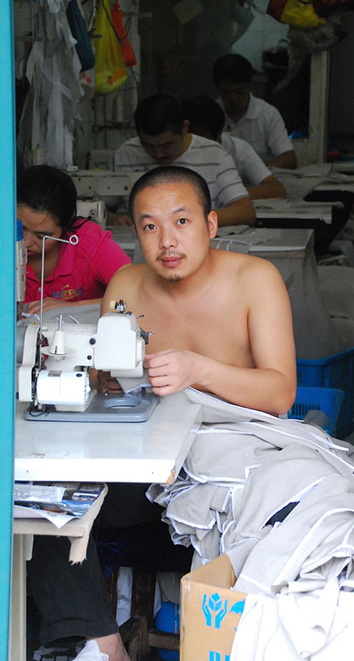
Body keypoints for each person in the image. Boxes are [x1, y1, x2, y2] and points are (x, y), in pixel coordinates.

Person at [28, 165, 297, 661]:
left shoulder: (255, 280)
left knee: (285, 526)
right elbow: (109, 378)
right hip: (149, 470)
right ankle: (98, 643)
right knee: (47, 504)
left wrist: (197, 370)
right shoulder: (128, 284)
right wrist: (104, 380)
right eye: (150, 226)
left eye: (181, 222)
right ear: (135, 233)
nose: (166, 240)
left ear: (211, 225)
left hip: (231, 464)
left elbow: (280, 393)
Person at [114, 94, 256, 227]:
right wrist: (113, 219)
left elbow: (245, 211)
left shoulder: (214, 154)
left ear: (184, 128)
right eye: (147, 145)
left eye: (166, 145)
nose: (158, 154)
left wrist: (193, 219)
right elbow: (101, 208)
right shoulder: (126, 153)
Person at [17, 165, 131, 313]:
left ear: (66, 227)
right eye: (20, 229)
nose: (26, 242)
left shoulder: (89, 242)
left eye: (42, 236)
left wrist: (71, 307)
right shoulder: (5, 239)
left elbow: (135, 295)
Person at [182, 95, 286, 200]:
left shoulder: (238, 148)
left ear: (219, 135)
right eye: (189, 137)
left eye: (199, 137)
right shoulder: (171, 151)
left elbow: (275, 188)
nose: (193, 142)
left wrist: (233, 196)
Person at [213, 53, 297, 169]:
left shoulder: (268, 114)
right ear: (217, 89)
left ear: (250, 86)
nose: (233, 99)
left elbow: (288, 158)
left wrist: (256, 173)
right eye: (226, 92)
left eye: (239, 92)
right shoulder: (210, 113)